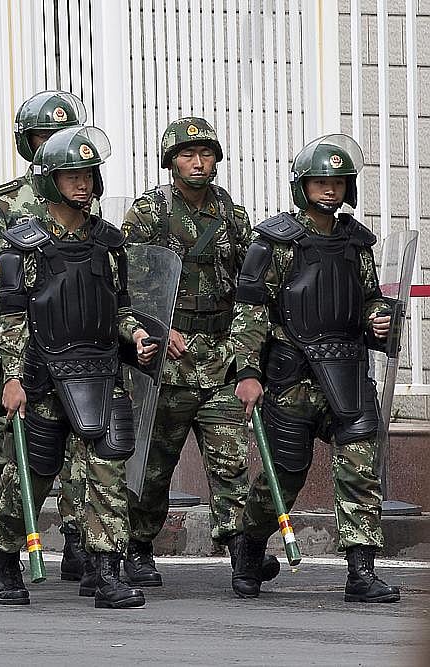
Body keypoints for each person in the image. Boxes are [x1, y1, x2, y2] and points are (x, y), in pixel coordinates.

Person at [0, 125, 159, 609]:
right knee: (31, 474)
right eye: (70, 175)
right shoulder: (23, 246)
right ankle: (3, 554)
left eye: (88, 174)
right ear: (48, 180)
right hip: (43, 376)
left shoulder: (109, 241)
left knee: (107, 468)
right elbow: (13, 320)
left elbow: (120, 308)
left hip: (101, 372)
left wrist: (138, 336)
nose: (82, 184)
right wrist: (15, 378)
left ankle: (107, 569)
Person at [229, 133, 400, 603]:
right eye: (321, 181)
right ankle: (247, 545)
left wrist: (379, 316)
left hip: (346, 373)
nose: (330, 190)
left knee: (360, 470)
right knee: (284, 474)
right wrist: (248, 372)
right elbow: (250, 311)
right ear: (302, 186)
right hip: (293, 377)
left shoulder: (356, 243)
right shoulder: (275, 242)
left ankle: (361, 570)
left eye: (339, 182)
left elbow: (366, 299)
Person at [121, 117, 278, 587]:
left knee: (230, 464)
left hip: (220, 358)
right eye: (188, 154)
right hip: (167, 361)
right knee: (152, 467)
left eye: (206, 153)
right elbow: (128, 281)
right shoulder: (149, 212)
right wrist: (154, 329)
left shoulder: (232, 216)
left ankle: (240, 553)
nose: (198, 162)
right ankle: (139, 548)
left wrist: (247, 357)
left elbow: (250, 288)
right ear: (171, 161)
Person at [0, 90, 91, 580]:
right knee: (24, 453)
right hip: (22, 342)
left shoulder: (83, 193)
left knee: (83, 451)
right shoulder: (4, 202)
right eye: (44, 137)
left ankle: (80, 540)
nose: (52, 147)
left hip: (76, 342)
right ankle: (6, 545)